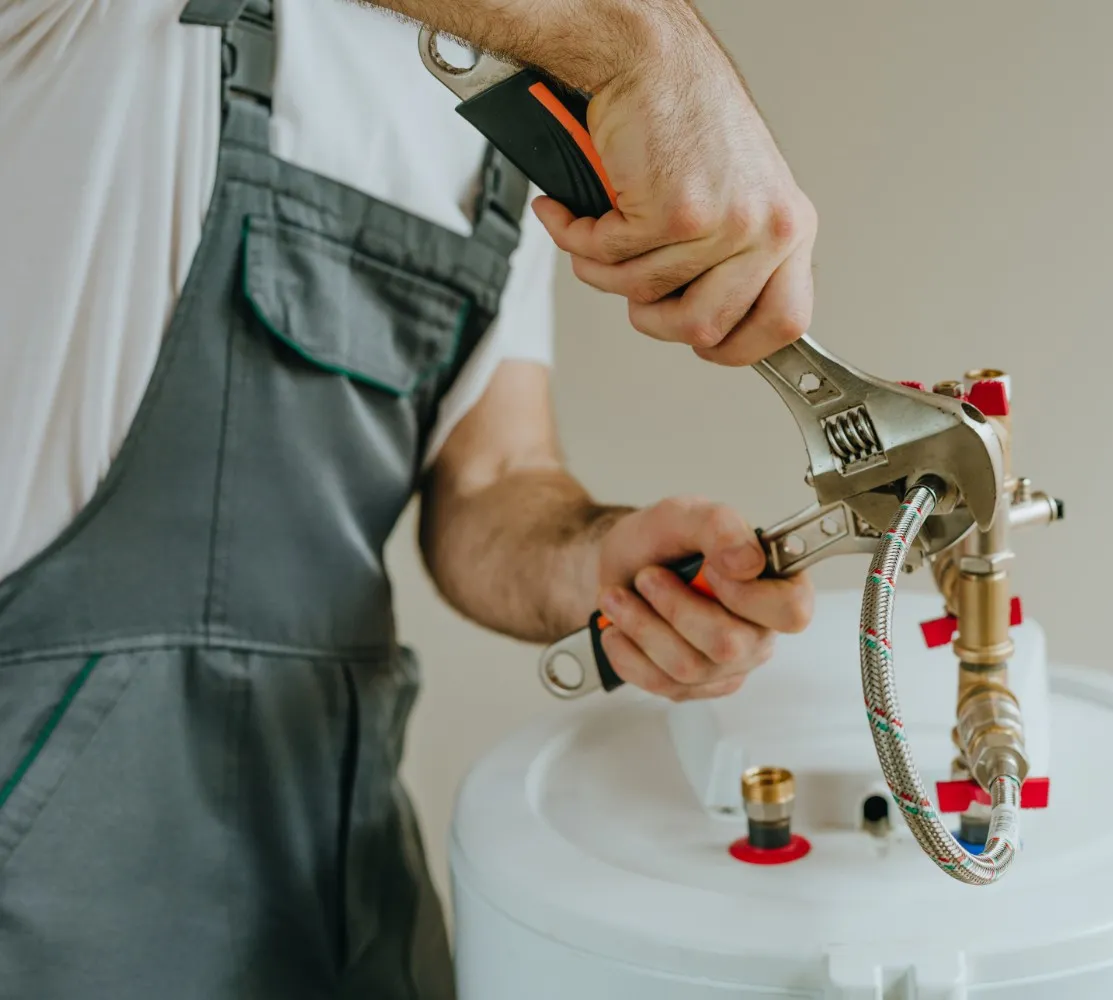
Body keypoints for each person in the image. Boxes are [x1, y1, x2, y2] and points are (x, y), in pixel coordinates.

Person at [0, 0, 817, 995]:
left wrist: (602, 565)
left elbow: (494, 478)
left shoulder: (502, 116)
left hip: (334, 881)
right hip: (43, 876)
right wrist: (652, 49)